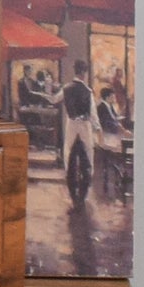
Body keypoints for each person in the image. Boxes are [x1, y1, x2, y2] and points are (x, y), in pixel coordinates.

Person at [60, 60, 101, 207]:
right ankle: (84, 195)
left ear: (75, 71)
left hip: (71, 126)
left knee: (68, 153)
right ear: (84, 73)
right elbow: (93, 114)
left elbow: (54, 100)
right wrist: (98, 128)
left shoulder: (66, 88)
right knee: (88, 156)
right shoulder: (88, 91)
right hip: (84, 126)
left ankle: (72, 194)